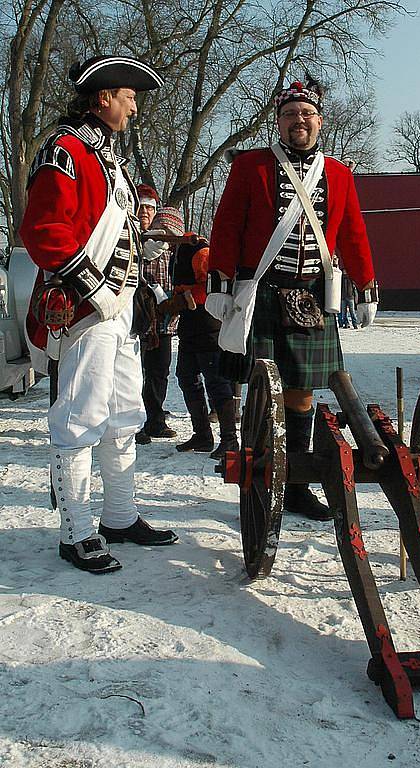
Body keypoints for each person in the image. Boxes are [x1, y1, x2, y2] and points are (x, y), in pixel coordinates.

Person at [20, 55, 178, 574]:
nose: (135, 106)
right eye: (129, 95)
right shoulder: (65, 150)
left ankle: (118, 515)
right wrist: (94, 288)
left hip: (120, 308)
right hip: (87, 310)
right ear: (104, 98)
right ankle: (77, 533)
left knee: (124, 413)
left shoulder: (109, 160)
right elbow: (44, 230)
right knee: (81, 416)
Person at [206, 76, 378, 521]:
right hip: (260, 289)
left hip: (312, 294)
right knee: (262, 389)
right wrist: (219, 283)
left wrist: (366, 282)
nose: (297, 121)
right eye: (289, 115)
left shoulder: (339, 174)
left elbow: (354, 232)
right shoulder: (251, 166)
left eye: (306, 114)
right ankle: (261, 474)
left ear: (320, 121)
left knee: (301, 394)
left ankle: (296, 484)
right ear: (277, 123)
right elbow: (227, 225)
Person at [171, 230, 239, 460]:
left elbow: (213, 286)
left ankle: (230, 440)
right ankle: (202, 434)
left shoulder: (199, 250)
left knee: (217, 384)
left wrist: (185, 297)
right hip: (189, 329)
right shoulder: (178, 252)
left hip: (209, 327)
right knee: (186, 378)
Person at [136, 192, 179, 444]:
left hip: (163, 320)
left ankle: (155, 421)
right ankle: (134, 423)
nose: (144, 212)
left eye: (149, 209)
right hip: (137, 320)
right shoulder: (130, 239)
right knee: (132, 374)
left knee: (158, 372)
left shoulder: (166, 244)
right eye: (141, 207)